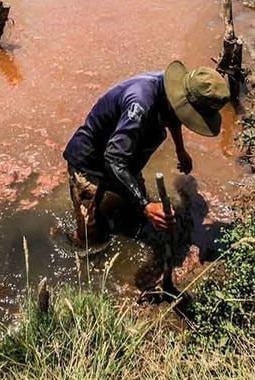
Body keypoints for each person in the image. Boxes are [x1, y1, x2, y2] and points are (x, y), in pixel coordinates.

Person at [63, 60, 230, 250]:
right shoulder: (140, 105)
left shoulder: (171, 93)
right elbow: (114, 160)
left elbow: (173, 118)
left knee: (134, 215)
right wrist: (145, 205)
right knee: (90, 237)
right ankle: (81, 255)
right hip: (89, 163)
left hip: (126, 158)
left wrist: (180, 150)